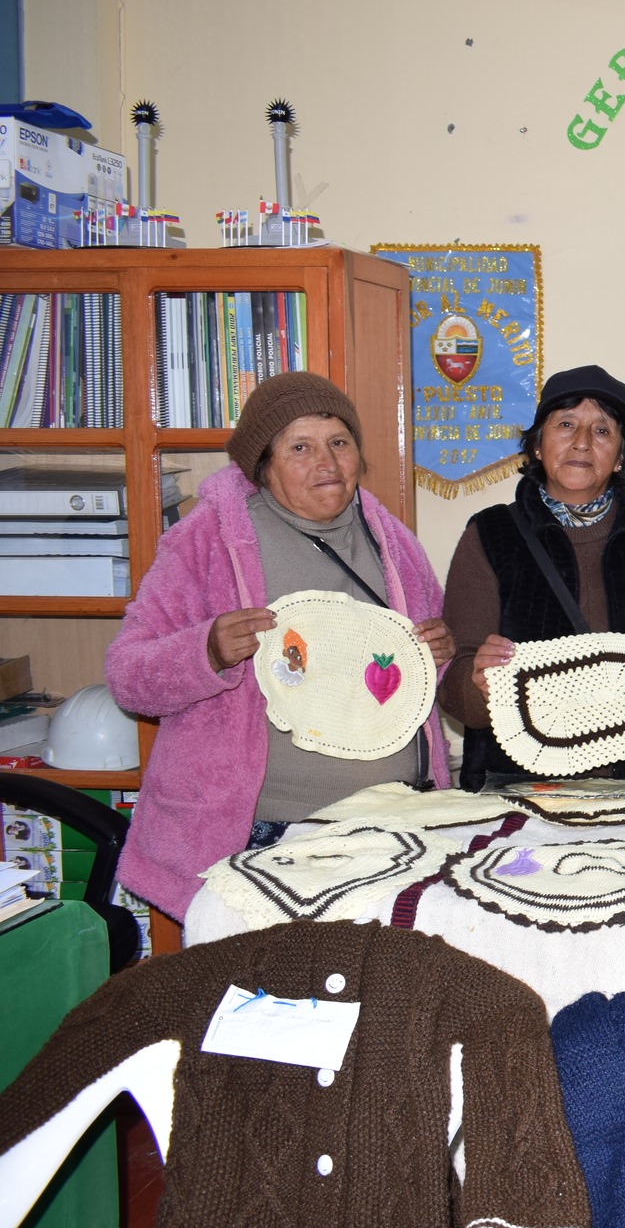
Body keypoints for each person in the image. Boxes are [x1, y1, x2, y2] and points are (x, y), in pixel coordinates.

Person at [105, 372, 453, 921]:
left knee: (375, 997)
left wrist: (439, 649)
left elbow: (410, 666)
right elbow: (128, 675)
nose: (328, 463)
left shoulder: (393, 540)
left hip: (394, 826)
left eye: (340, 443)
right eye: (301, 447)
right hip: (266, 836)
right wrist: (207, 652)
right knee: (266, 998)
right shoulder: (207, 543)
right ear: (262, 465)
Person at [439, 364, 625, 785]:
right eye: (566, 424)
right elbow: (455, 685)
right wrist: (478, 681)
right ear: (537, 446)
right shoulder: (491, 534)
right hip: (521, 784)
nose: (582, 443)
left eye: (602, 430)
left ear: (621, 456)